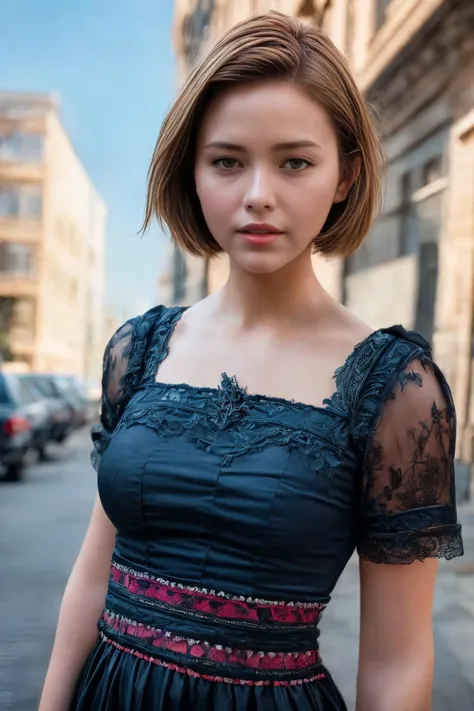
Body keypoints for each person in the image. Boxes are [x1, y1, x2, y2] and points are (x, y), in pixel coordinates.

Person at [39, 12, 464, 711]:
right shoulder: (137, 351)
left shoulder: (397, 390)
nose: (257, 193)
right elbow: (94, 572)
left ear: (344, 176)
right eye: (228, 160)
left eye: (295, 161)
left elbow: (398, 660)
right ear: (194, 171)